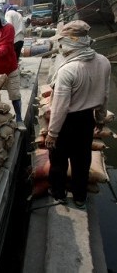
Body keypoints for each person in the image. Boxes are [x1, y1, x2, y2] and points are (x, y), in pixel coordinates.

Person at [45, 20, 110, 209]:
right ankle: (80, 197)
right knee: (82, 160)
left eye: (63, 41)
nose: (61, 45)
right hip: (86, 121)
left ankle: (58, 193)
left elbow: (60, 107)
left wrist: (52, 133)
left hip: (67, 122)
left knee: (58, 160)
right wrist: (100, 118)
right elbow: (105, 94)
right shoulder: (103, 62)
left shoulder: (68, 70)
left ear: (72, 42)